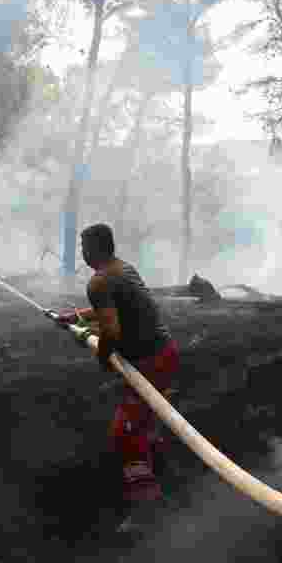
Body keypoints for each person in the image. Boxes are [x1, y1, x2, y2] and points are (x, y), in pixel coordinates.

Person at [49, 223, 180, 534]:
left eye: (83, 247)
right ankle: (166, 475)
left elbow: (111, 330)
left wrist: (103, 356)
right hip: (165, 354)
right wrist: (76, 317)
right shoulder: (123, 269)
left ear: (95, 249)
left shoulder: (98, 281)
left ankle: (147, 507)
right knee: (146, 422)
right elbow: (114, 307)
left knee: (125, 432)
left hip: (150, 364)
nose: (81, 252)